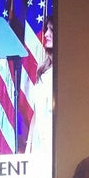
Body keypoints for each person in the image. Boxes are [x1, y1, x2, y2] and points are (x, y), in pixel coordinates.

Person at [26, 16, 53, 154]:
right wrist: (29, 144)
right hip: (38, 141)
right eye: (46, 29)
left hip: (54, 141)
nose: (46, 34)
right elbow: (37, 112)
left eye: (51, 30)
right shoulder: (44, 69)